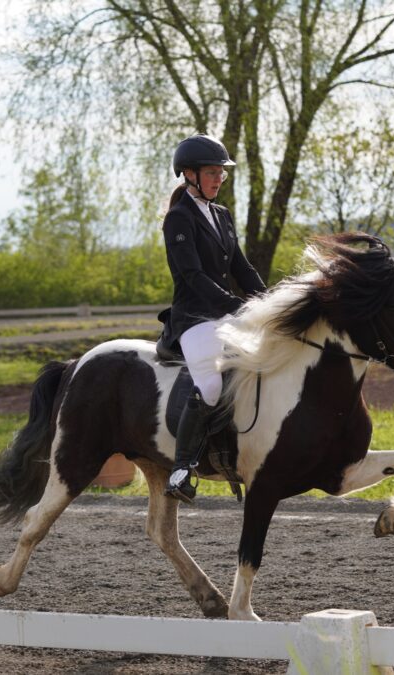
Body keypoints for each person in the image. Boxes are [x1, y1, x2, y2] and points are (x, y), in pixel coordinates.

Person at [159, 133, 267, 504]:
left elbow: (242, 267)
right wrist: (234, 305)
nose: (219, 179)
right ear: (188, 175)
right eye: (211, 172)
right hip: (194, 318)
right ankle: (182, 469)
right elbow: (192, 276)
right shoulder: (178, 219)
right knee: (210, 387)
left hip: (224, 313)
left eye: (221, 172)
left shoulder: (222, 215)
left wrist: (270, 302)